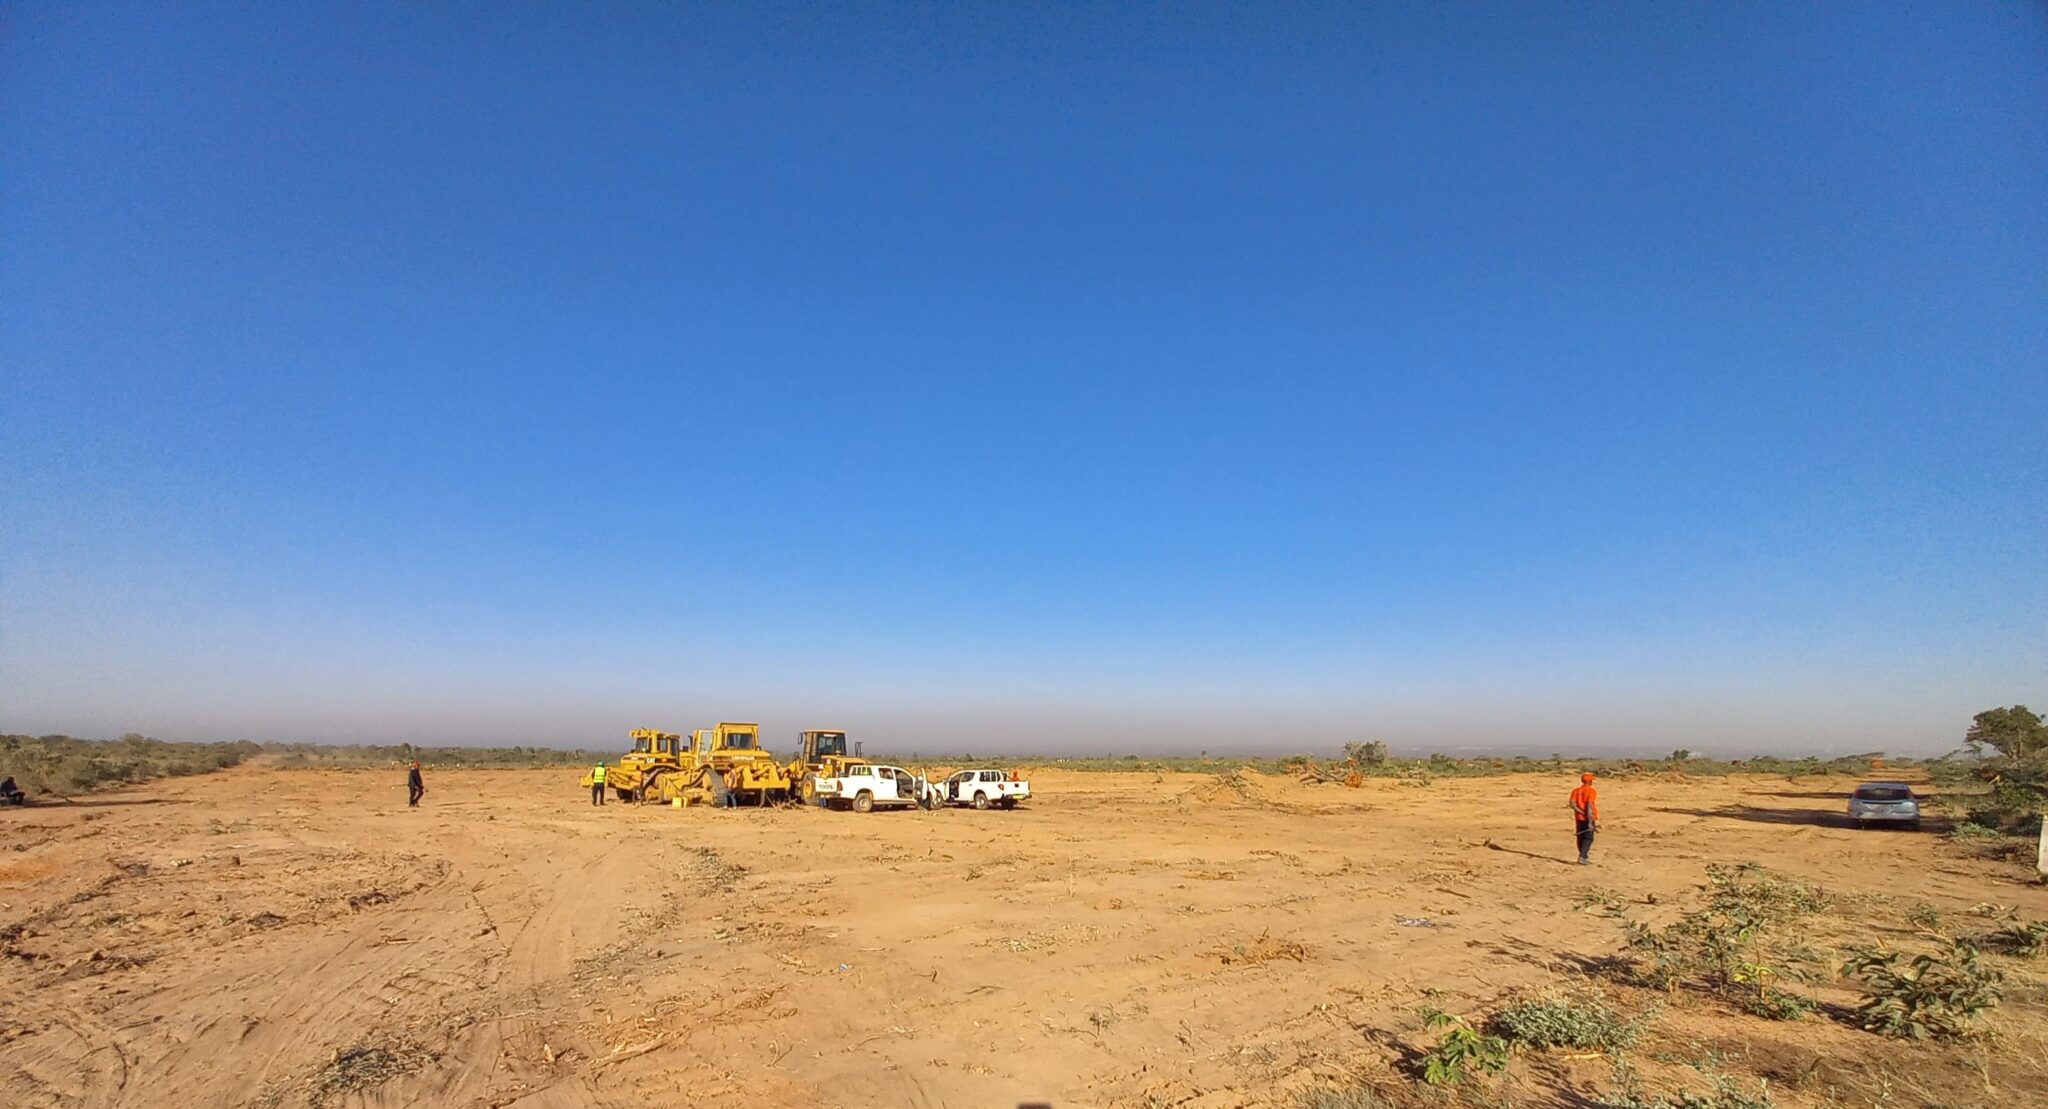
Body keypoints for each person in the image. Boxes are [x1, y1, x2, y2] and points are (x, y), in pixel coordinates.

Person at [1570, 771, 1600, 864]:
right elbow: (1590, 806)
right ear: (1590, 782)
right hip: (1588, 818)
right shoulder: (1591, 791)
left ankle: (1583, 856)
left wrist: (1581, 812)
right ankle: (1582, 857)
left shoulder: (1575, 791)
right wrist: (1590, 821)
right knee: (1588, 838)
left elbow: (1572, 804)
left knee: (1580, 837)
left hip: (1579, 818)